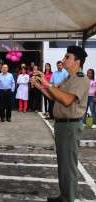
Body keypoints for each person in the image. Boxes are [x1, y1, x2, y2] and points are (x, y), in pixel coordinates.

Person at [30, 46, 89, 202]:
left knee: (68, 165)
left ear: (77, 61)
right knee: (63, 164)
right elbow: (54, 96)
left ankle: (69, 198)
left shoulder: (80, 77)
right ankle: (64, 196)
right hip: (63, 125)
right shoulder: (69, 78)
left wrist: (47, 84)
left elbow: (67, 100)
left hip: (70, 126)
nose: (63, 59)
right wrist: (39, 85)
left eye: (67, 57)